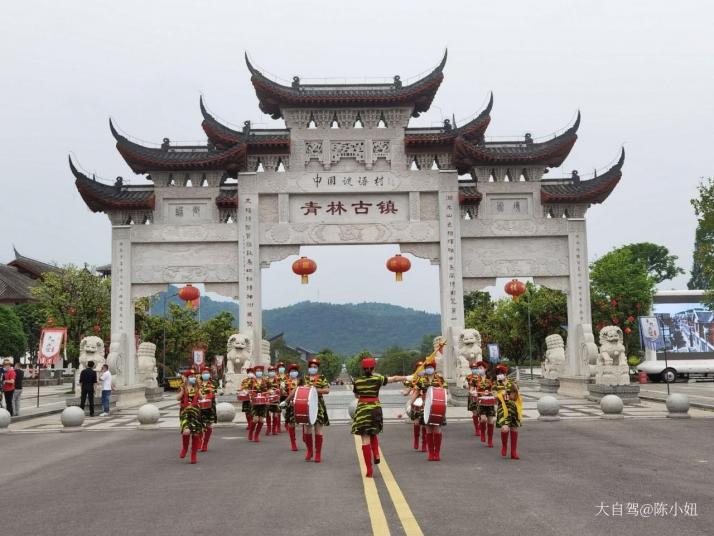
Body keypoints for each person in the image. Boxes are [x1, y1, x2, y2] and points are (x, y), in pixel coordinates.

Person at [352, 357, 406, 477]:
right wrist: (408, 377)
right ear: (374, 368)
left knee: (365, 438)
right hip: (375, 409)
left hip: (362, 410)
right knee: (373, 431)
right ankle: (376, 453)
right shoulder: (378, 378)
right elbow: (394, 378)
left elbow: (356, 395)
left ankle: (369, 470)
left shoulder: (357, 381)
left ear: (363, 368)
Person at [412, 361, 447, 461]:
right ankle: (431, 453)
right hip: (425, 407)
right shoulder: (421, 380)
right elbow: (416, 392)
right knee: (428, 429)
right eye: (427, 367)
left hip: (438, 407)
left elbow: (445, 392)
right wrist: (411, 402)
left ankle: (437, 453)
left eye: (431, 367)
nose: (429, 369)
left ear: (434, 368)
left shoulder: (440, 379)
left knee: (437, 429)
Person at [299, 358, 330, 462]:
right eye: (311, 367)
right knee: (307, 429)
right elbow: (298, 389)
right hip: (306, 405)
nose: (313, 369)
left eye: (315, 367)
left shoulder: (321, 378)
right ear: (308, 368)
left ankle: (318, 453)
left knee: (318, 429)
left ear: (317, 368)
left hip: (318, 405)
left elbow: (327, 390)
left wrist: (316, 390)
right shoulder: (304, 378)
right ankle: (309, 451)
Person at [493, 364, 522, 460]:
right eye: (498, 373)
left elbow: (515, 397)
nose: (500, 375)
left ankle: (513, 451)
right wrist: (501, 394)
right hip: (503, 408)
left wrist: (513, 392)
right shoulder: (496, 385)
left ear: (505, 374)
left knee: (514, 428)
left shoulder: (512, 383)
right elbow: (495, 398)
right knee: (505, 428)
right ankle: (504, 446)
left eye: (501, 373)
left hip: (513, 408)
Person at [176, 369, 204, 464]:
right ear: (187, 378)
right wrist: (182, 391)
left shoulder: (197, 387)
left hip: (195, 412)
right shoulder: (182, 387)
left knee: (195, 433)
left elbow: (201, 397)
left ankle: (193, 454)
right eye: (191, 377)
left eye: (193, 377)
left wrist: (201, 394)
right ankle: (185, 448)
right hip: (185, 412)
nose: (193, 378)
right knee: (186, 431)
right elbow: (177, 398)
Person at [403, 361, 427, 452]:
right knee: (416, 422)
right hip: (416, 401)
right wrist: (405, 393)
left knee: (425, 423)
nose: (420, 369)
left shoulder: (427, 379)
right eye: (419, 368)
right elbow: (408, 390)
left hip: (426, 402)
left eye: (422, 367)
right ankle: (416, 440)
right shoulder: (414, 379)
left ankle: (424, 443)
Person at [281, 363, 301, 451]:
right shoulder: (285, 383)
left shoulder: (301, 381)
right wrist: (282, 390)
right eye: (292, 371)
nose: (294, 372)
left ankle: (305, 435)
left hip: (301, 404)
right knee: (291, 424)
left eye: (295, 371)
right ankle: (293, 442)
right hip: (290, 405)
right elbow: (283, 395)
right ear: (289, 373)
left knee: (304, 422)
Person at [249, 365, 271, 443]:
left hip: (263, 402)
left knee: (261, 420)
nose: (259, 372)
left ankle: (256, 435)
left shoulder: (265, 381)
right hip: (255, 403)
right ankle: (251, 431)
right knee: (255, 419)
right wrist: (251, 394)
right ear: (255, 372)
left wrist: (269, 394)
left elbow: (269, 389)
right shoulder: (252, 381)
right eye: (257, 371)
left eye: (260, 371)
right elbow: (248, 390)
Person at [198, 366, 217, 452]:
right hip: (199, 406)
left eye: (207, 373)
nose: (206, 374)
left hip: (210, 406)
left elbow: (214, 392)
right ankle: (199, 441)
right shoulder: (197, 383)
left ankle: (205, 443)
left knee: (208, 425)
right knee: (199, 424)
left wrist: (207, 396)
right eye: (204, 373)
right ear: (201, 374)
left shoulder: (213, 383)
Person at [464, 361, 482, 437]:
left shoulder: (481, 377)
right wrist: (466, 386)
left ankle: (481, 427)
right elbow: (465, 385)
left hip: (481, 396)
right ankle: (477, 429)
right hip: (472, 397)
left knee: (481, 413)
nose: (475, 370)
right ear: (471, 369)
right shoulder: (468, 377)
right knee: (475, 412)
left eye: (476, 368)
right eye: (473, 368)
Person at [240, 367, 256, 440]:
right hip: (246, 398)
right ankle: (249, 424)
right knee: (247, 411)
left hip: (253, 398)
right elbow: (242, 387)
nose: (250, 374)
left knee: (252, 411)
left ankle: (252, 424)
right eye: (249, 372)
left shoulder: (256, 381)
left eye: (251, 372)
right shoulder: (245, 380)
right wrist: (243, 391)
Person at [266, 365, 280, 435]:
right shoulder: (265, 380)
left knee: (275, 415)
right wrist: (268, 391)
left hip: (276, 399)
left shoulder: (278, 379)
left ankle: (274, 429)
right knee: (268, 414)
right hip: (268, 399)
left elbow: (282, 388)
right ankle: (268, 428)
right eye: (270, 371)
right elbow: (263, 389)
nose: (272, 372)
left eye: (273, 371)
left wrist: (278, 390)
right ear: (268, 372)